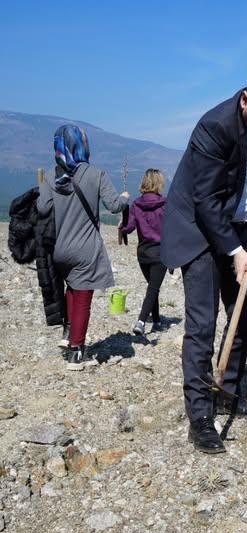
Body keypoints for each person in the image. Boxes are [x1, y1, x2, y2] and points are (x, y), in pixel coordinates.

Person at [161, 63, 247, 455]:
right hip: (199, 230)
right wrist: (235, 252)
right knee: (203, 323)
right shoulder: (214, 127)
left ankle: (227, 391)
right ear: (245, 100)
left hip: (241, 227)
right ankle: (201, 415)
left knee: (246, 316)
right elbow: (205, 200)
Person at [36, 124, 129, 371]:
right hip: (86, 248)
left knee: (71, 287)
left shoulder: (49, 176)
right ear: (81, 145)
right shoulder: (95, 174)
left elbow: (43, 209)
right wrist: (125, 199)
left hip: (59, 250)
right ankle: (76, 350)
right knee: (83, 296)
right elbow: (114, 205)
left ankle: (68, 334)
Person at [119, 169, 167, 336]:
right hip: (160, 253)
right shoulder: (165, 204)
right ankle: (141, 321)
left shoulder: (136, 204)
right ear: (159, 183)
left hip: (143, 254)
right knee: (153, 288)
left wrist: (122, 227)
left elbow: (129, 228)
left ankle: (157, 320)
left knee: (152, 287)